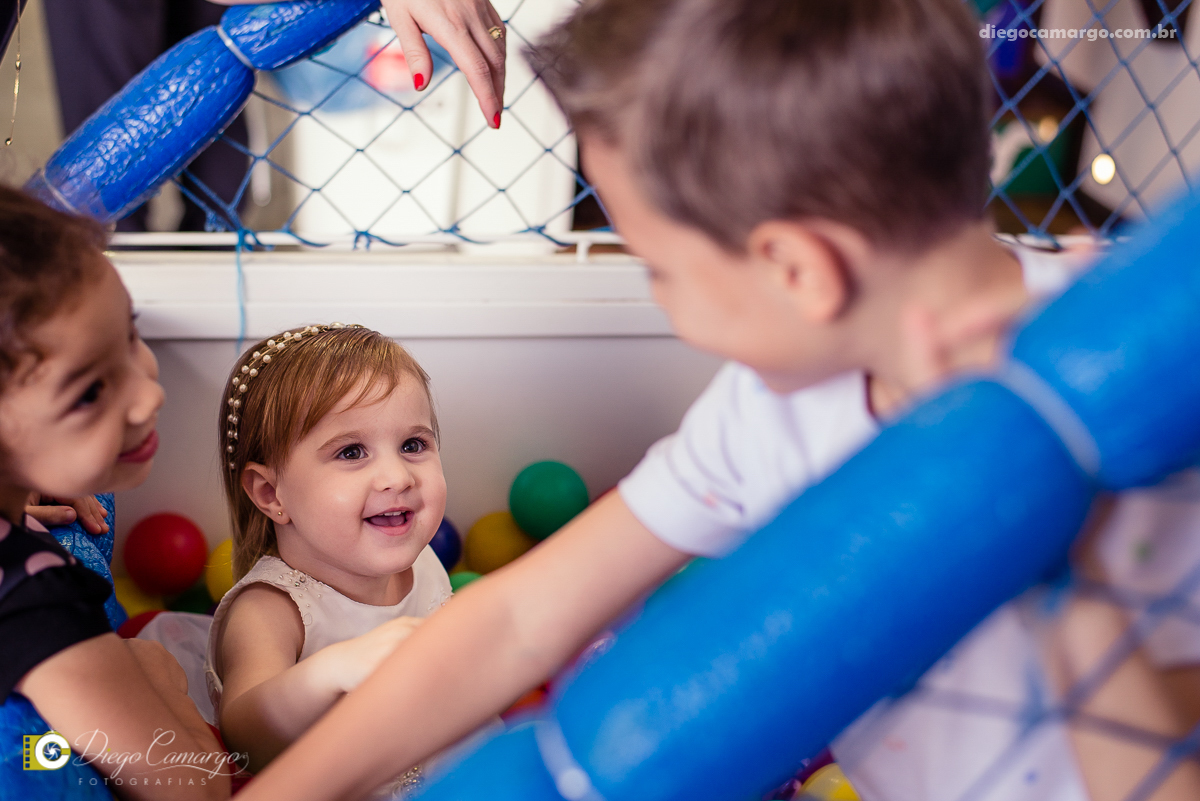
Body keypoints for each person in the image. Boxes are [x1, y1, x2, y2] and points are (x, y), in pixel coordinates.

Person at [233, 1, 1200, 799]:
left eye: (659, 267)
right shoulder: (770, 405)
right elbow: (517, 620)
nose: (661, 296)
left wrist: (1058, 542)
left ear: (796, 269)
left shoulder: (1141, 387)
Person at [0, 185, 232, 799]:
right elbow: (195, 789)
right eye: (89, 393)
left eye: (129, 337)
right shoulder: (32, 595)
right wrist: (148, 671)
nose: (149, 396)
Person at [202, 325, 452, 785]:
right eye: (352, 451)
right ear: (271, 493)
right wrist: (328, 674)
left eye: (413, 445)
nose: (397, 476)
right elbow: (243, 735)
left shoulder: (421, 559)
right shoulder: (271, 609)